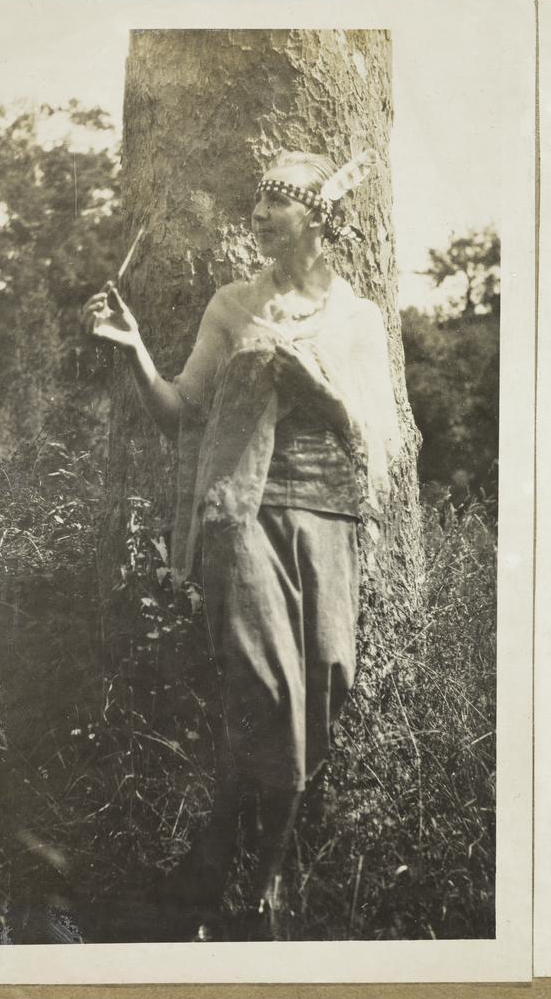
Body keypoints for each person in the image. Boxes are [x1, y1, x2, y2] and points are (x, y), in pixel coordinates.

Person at [82, 149, 401, 940]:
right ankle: (253, 901)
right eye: (256, 201)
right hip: (244, 517)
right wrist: (134, 351)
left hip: (328, 520)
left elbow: (374, 432)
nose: (258, 215)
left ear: (317, 220)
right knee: (274, 698)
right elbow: (180, 411)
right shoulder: (230, 306)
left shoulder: (357, 319)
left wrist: (317, 387)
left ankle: (223, 861)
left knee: (326, 687)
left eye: (278, 202)